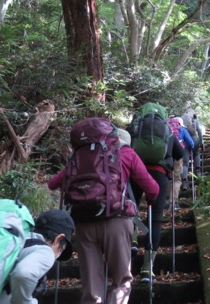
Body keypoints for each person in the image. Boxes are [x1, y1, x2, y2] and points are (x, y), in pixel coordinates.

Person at [48, 122, 159, 304]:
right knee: (121, 280)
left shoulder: (79, 156)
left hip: (83, 222)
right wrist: (151, 197)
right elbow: (152, 187)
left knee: (91, 285)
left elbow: (53, 184)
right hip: (116, 220)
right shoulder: (125, 153)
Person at [128, 108, 184, 283]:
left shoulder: (135, 128)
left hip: (136, 173)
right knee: (156, 219)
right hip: (159, 174)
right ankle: (147, 269)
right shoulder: (167, 130)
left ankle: (133, 240)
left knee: (131, 209)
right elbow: (180, 154)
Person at [0, 209, 75, 304]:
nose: (55, 259)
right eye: (61, 249)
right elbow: (24, 275)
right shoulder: (45, 252)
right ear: (58, 239)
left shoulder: (17, 241)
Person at [169, 116, 194, 202]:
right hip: (178, 155)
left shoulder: (166, 128)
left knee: (168, 177)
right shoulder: (182, 129)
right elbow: (191, 143)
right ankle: (173, 201)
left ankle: (162, 199)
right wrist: (189, 148)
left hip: (166, 155)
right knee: (176, 178)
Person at [181, 108, 204, 180]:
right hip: (195, 140)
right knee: (196, 153)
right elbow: (199, 130)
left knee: (185, 162)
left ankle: (184, 181)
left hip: (185, 141)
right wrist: (201, 141)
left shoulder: (182, 120)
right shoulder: (195, 120)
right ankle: (197, 171)